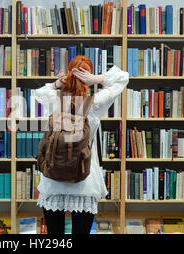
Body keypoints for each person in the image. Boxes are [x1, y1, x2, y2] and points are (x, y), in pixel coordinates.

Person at [34, 55, 129, 234]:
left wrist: (57, 84)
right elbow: (123, 77)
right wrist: (99, 79)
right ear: (89, 76)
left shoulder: (55, 99)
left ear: (69, 73)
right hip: (84, 180)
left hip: (53, 180)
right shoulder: (96, 103)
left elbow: (38, 93)